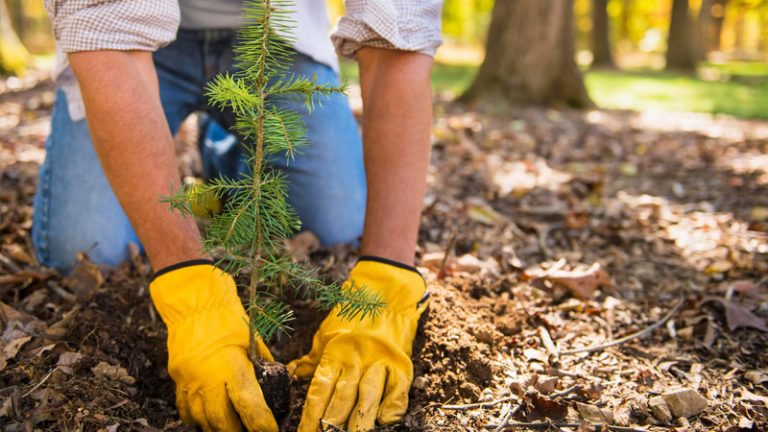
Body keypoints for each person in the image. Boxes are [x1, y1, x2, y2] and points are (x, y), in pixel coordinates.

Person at [36, 1, 442, 431]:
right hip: (132, 40)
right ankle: (210, 160)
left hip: (276, 33)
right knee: (83, 248)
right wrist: (187, 285)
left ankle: (228, 156)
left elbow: (400, 32)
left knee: (336, 223)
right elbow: (107, 31)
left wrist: (388, 273)